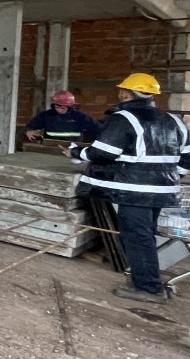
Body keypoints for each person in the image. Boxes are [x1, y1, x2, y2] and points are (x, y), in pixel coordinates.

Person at [67, 72, 189, 303]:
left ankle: (148, 288)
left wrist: (75, 152)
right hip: (162, 192)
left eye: (121, 91)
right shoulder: (174, 121)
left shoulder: (124, 118)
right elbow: (188, 158)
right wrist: (168, 177)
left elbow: (102, 153)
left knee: (137, 237)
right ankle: (146, 279)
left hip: (134, 192)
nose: (120, 94)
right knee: (145, 235)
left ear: (126, 93)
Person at [25, 90, 99, 143]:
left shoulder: (80, 117)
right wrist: (29, 131)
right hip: (50, 148)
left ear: (69, 107)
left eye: (63, 108)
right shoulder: (46, 115)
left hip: (72, 149)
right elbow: (32, 125)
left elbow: (97, 128)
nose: (60, 110)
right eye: (57, 107)